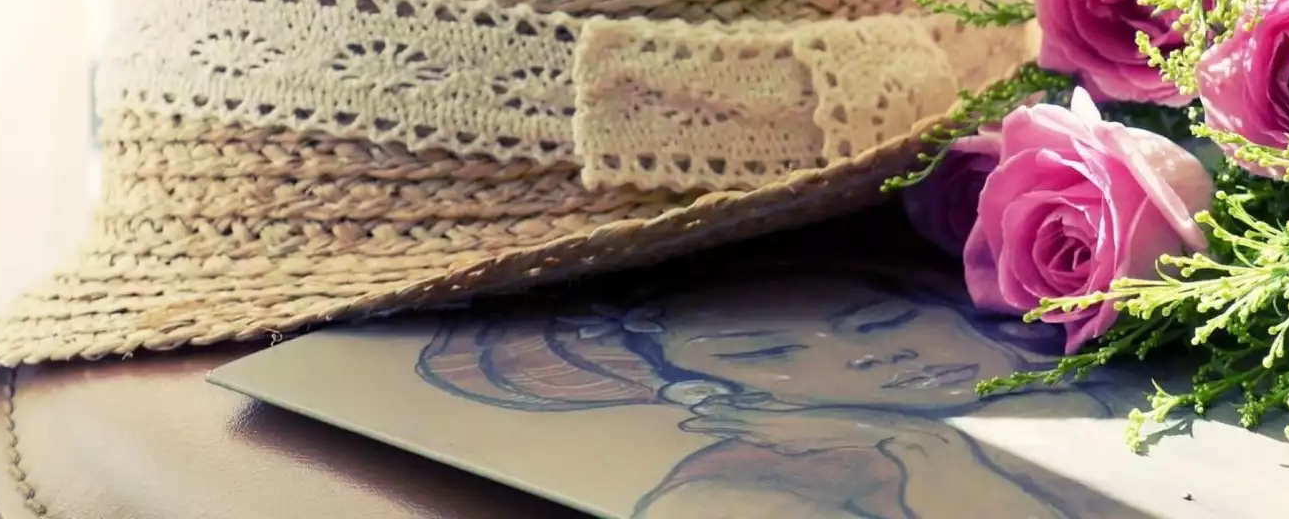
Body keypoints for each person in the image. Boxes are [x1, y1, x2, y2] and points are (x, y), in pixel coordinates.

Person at [416, 263, 1143, 518]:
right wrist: (927, 457)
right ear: (721, 401)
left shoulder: (1098, 391)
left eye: (883, 320)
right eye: (767, 354)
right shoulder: (749, 486)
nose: (873, 357)